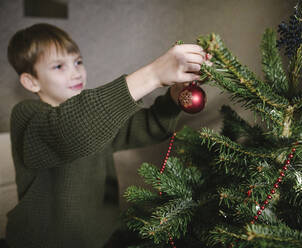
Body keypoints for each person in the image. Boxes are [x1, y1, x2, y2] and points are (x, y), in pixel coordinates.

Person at [4, 23, 211, 248]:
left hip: (102, 237)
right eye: (59, 66)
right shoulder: (27, 115)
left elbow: (146, 126)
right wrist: (153, 75)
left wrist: (172, 99)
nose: (75, 72)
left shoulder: (94, 117)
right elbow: (69, 132)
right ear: (31, 81)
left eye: (78, 62)